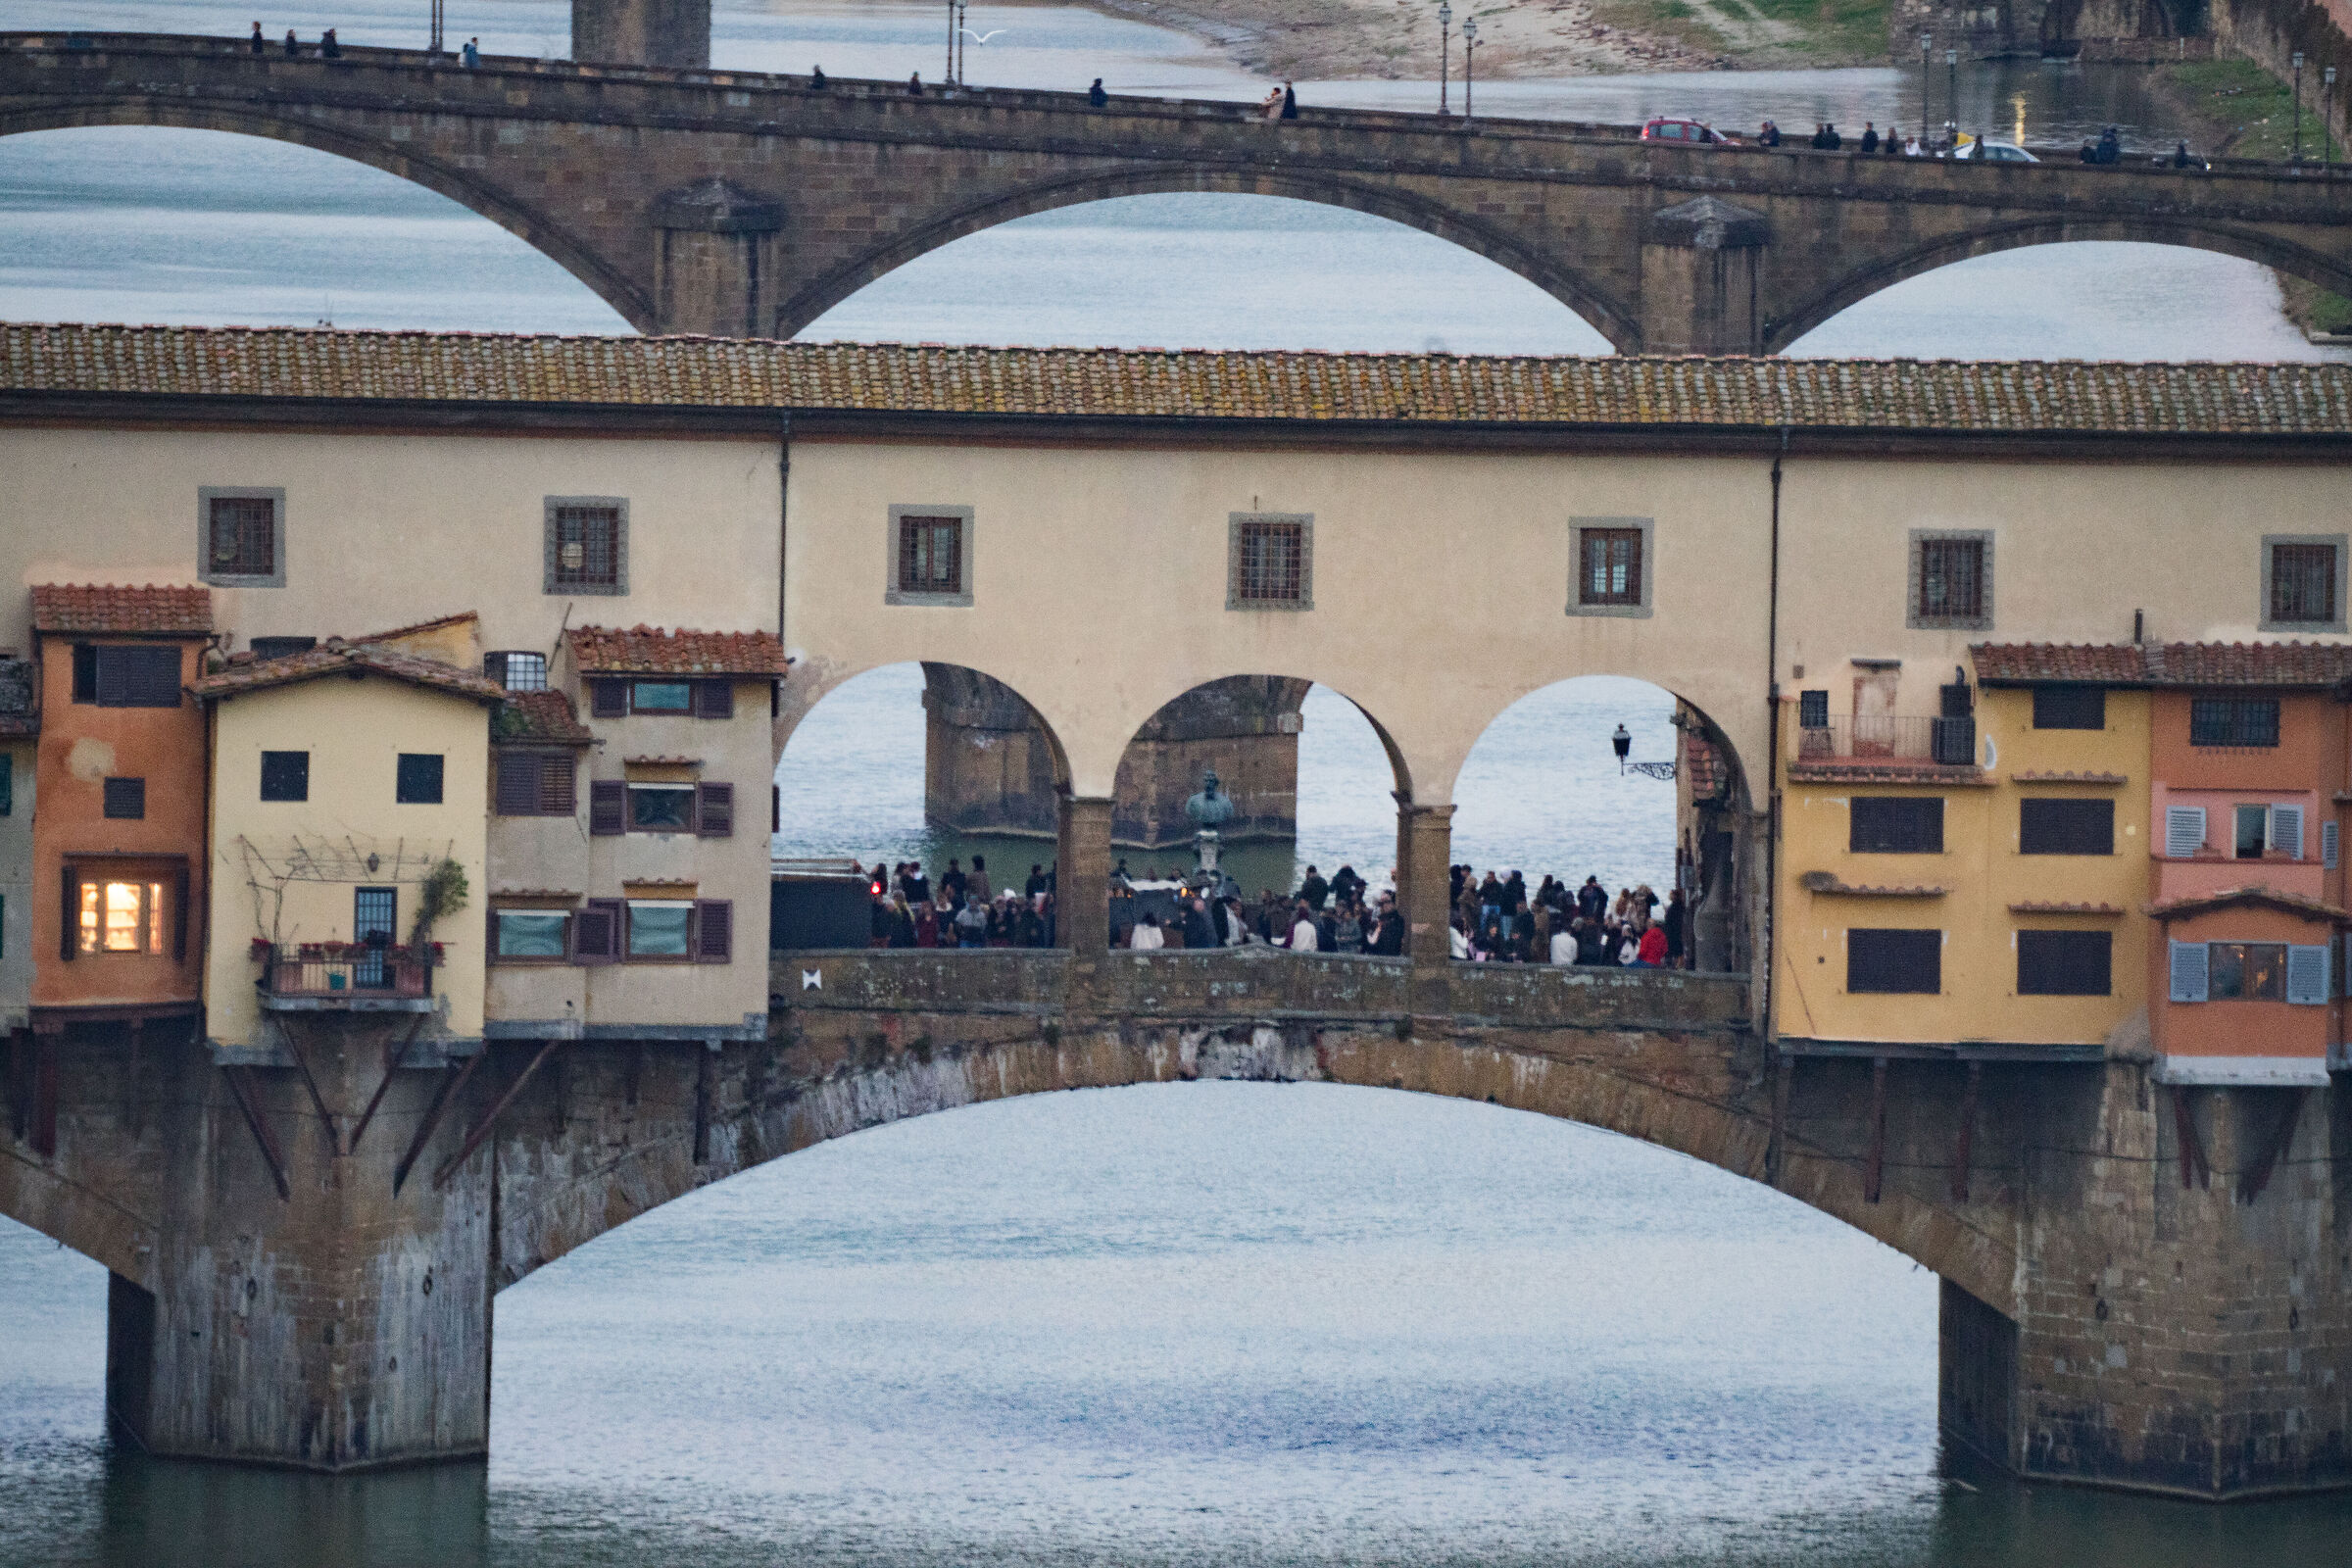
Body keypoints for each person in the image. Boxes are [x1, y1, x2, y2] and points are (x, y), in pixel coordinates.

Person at [1663, 887, 1689, 968]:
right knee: (1675, 944)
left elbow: (1672, 917)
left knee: (1675, 944)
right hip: (1673, 928)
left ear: (1674, 895)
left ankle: (1679, 961)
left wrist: (1667, 912)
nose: (1669, 896)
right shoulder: (1677, 905)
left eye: (1671, 894)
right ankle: (1678, 961)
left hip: (1673, 929)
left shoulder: (1676, 905)